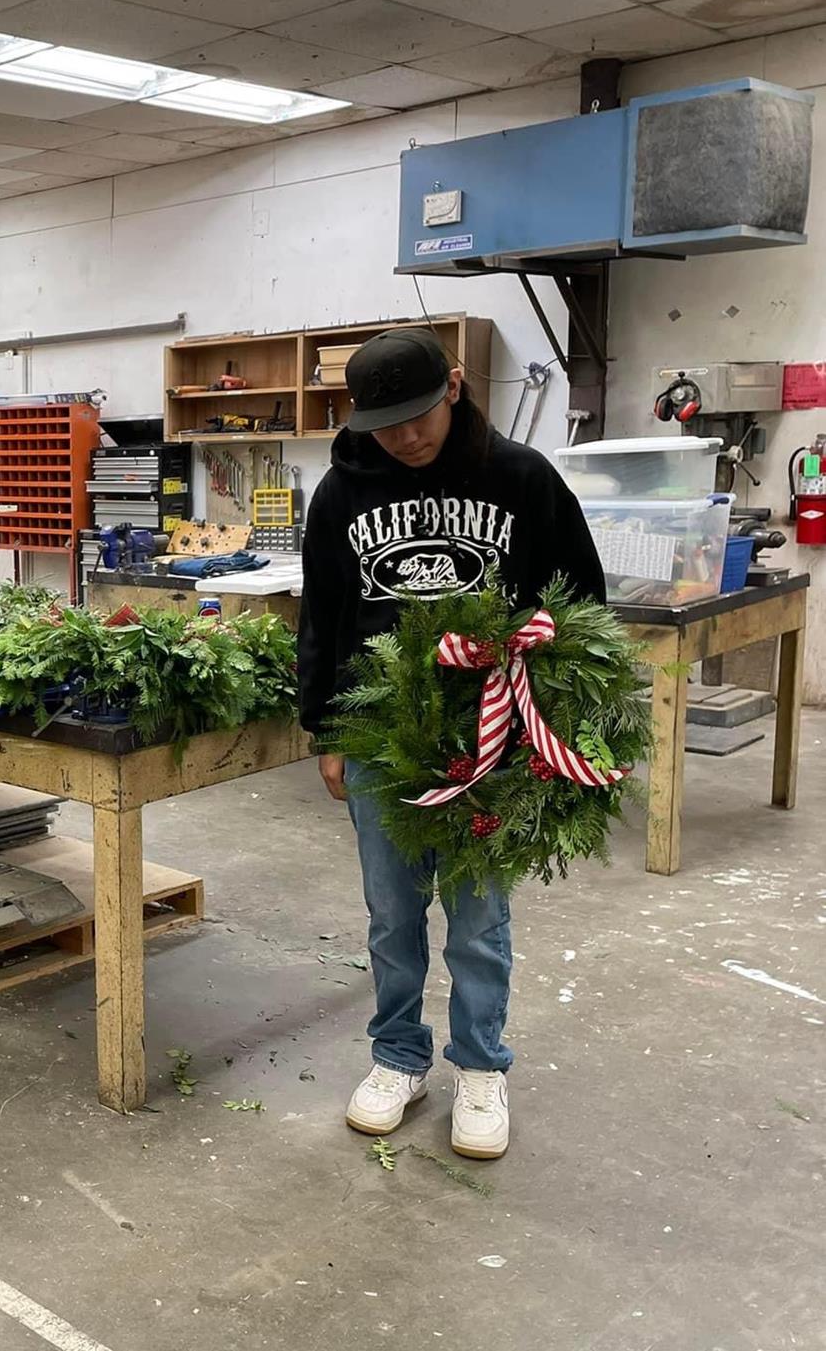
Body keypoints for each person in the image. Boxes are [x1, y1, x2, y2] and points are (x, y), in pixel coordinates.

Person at [297, 328, 604, 1160]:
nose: (403, 436)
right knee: (392, 912)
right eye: (385, 422)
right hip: (378, 735)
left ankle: (480, 1065)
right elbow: (322, 614)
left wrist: (558, 712)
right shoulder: (339, 493)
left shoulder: (523, 479)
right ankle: (399, 1056)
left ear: (457, 385)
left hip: (492, 733)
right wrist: (325, 728)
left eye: (417, 415)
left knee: (477, 914)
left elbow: (578, 599)